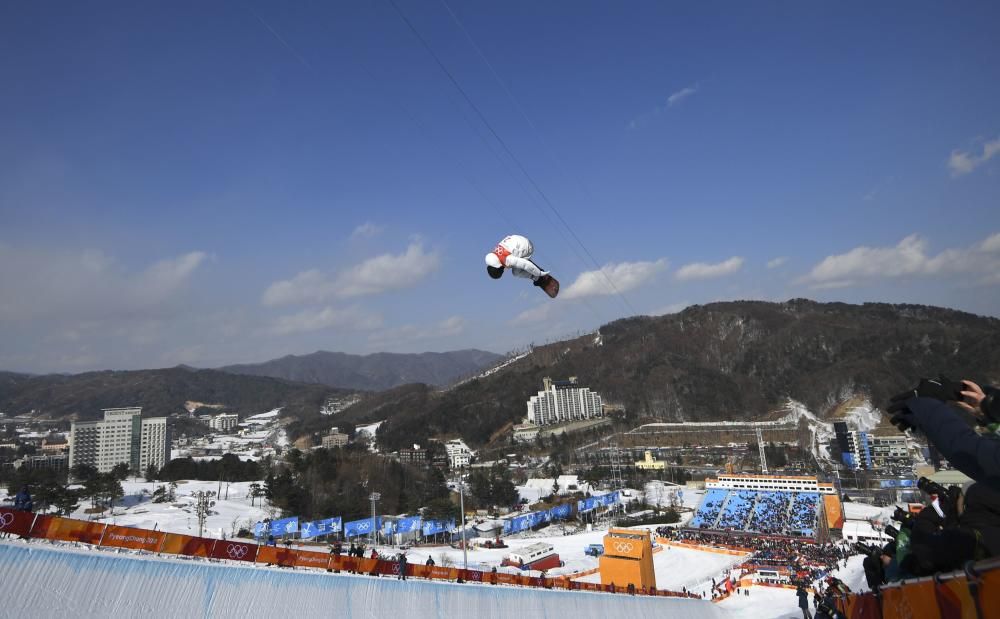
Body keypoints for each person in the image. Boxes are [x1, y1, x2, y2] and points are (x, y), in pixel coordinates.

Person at [484, 234, 550, 287]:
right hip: (519, 240)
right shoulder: (493, 256)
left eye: (502, 271)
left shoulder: (507, 259)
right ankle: (522, 261)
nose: (503, 271)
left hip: (528, 248)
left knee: (516, 273)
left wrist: (539, 273)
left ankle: (537, 277)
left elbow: (525, 264)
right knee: (514, 265)